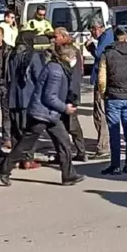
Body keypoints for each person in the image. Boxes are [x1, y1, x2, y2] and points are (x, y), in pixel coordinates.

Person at [0, 45, 85, 187]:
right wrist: (65, 108)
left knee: (63, 141)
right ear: (68, 58)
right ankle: (4, 168)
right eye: (74, 57)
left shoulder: (57, 68)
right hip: (42, 114)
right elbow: (49, 97)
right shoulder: (56, 71)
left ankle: (69, 175)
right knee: (26, 145)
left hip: (50, 114)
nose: (75, 61)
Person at [98, 28, 127, 174]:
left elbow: (101, 79)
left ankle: (116, 165)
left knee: (114, 132)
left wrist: (103, 93)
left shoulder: (107, 53)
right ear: (126, 38)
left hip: (113, 96)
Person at [6, 30, 43, 169]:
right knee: (29, 130)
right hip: (28, 98)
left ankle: (15, 159)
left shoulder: (10, 54)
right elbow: (39, 77)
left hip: (12, 97)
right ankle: (28, 159)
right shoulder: (32, 56)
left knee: (15, 131)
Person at [52, 28, 86, 162]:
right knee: (61, 125)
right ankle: (63, 152)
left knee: (72, 125)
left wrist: (72, 95)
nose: (54, 40)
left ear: (63, 36)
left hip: (69, 93)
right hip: (64, 93)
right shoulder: (62, 49)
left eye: (56, 37)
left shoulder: (70, 51)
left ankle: (80, 151)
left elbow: (75, 75)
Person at [87, 19, 114, 159]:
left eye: (92, 30)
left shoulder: (107, 36)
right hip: (104, 79)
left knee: (100, 113)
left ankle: (103, 145)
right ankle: (103, 142)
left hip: (102, 80)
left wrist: (90, 47)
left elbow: (99, 54)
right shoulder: (107, 36)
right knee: (101, 113)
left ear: (98, 28)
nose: (92, 33)